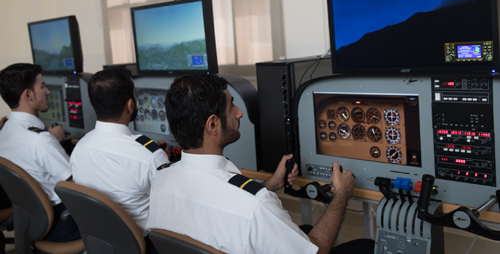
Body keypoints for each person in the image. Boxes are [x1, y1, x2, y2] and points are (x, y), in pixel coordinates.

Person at [147, 74, 374, 254]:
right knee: (367, 246)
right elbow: (315, 251)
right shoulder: (254, 205)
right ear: (213, 125)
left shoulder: (160, 179)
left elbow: (224, 209)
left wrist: (271, 183)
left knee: (302, 230)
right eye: (231, 106)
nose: (239, 113)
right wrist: (341, 195)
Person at [70, 69, 170, 254]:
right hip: (144, 246)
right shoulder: (148, 157)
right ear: (130, 105)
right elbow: (173, 207)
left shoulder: (79, 148)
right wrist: (164, 162)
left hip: (102, 243)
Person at [0, 63, 80, 242]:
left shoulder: (4, 132)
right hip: (62, 223)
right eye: (42, 86)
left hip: (31, 220)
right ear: (28, 94)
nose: (48, 92)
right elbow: (77, 186)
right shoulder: (40, 141)